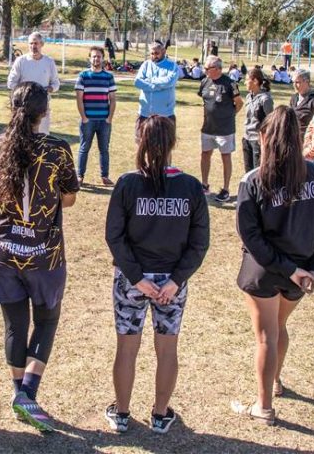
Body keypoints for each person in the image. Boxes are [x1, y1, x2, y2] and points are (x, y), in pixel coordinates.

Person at [0, 82, 79, 432]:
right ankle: (27, 394)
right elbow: (69, 199)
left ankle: (19, 392)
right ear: (44, 112)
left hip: (2, 252)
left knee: (14, 323)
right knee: (47, 320)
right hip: (44, 255)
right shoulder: (58, 149)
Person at [104, 116, 209, 434]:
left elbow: (114, 237)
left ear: (141, 142)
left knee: (127, 347)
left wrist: (137, 278)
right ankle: (160, 414)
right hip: (170, 284)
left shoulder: (128, 183)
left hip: (133, 282)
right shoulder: (190, 186)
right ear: (173, 143)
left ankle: (122, 413)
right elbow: (199, 242)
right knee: (167, 348)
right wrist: (176, 280)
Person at [231, 106, 314, 425]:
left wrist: (306, 269)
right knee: (277, 328)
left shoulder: (255, 180)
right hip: (299, 274)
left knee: (266, 336)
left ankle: (263, 407)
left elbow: (250, 238)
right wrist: (311, 268)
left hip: (268, 273)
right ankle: (274, 382)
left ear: (265, 138)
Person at [198, 55, 243, 202]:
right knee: (205, 154)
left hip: (225, 128)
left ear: (217, 69)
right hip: (208, 127)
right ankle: (204, 184)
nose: (204, 70)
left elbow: (239, 103)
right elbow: (204, 101)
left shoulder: (230, 84)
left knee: (225, 157)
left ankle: (225, 189)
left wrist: (230, 115)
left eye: (207, 68)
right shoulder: (204, 81)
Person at [75, 46, 117, 186]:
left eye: (99, 56)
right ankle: (79, 176)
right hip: (88, 120)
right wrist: (84, 117)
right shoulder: (83, 76)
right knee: (84, 148)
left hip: (104, 120)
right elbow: (79, 99)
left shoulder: (109, 77)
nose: (96, 59)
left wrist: (109, 118)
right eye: (93, 56)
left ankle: (105, 176)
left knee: (104, 149)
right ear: (89, 58)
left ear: (102, 58)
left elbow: (112, 99)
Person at [6, 32, 61, 134]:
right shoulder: (21, 61)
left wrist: (46, 90)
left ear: (42, 44)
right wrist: (25, 91)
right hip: (23, 108)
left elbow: (56, 84)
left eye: (36, 43)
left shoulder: (49, 62)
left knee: (42, 137)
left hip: (42, 107)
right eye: (31, 43)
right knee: (22, 136)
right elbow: (11, 83)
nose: (33, 46)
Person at [134, 40, 180, 139]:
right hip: (144, 114)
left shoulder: (172, 66)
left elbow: (169, 82)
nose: (154, 56)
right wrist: (158, 86)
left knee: (166, 148)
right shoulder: (146, 65)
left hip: (165, 115)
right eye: (152, 53)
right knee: (141, 144)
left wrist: (149, 81)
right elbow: (137, 82)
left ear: (163, 52)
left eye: (156, 53)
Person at [242, 68, 274, 173]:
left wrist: (264, 140)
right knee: (248, 170)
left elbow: (270, 122)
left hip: (258, 140)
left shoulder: (265, 99)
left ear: (255, 81)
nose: (244, 82)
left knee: (257, 170)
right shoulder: (248, 96)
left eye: (247, 80)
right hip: (247, 138)